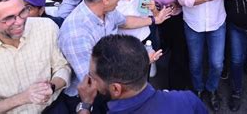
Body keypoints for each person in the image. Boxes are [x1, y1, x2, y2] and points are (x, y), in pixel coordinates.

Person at [58, 0, 172, 113]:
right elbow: (94, 82)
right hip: (89, 98)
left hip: (110, 87)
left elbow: (124, 21)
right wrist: (140, 63)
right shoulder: (77, 33)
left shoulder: (106, 11)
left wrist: (154, 20)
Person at [174, 0, 237, 111]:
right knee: (195, 62)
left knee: (217, 63)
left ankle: (212, 89)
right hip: (193, 24)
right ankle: (199, 89)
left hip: (217, 22)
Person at [0, 0, 71, 113]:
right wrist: (23, 98)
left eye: (23, 12)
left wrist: (51, 86)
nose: (19, 22)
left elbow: (63, 66)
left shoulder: (47, 27)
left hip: (54, 108)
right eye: (8, 18)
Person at [76, 34, 208, 114]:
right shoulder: (187, 100)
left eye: (92, 77)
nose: (88, 81)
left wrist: (85, 105)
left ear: (116, 89)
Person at [144, 0, 191, 90]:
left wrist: (175, 3)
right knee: (155, 50)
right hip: (153, 20)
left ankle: (175, 89)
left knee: (178, 55)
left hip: (174, 19)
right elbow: (141, 3)